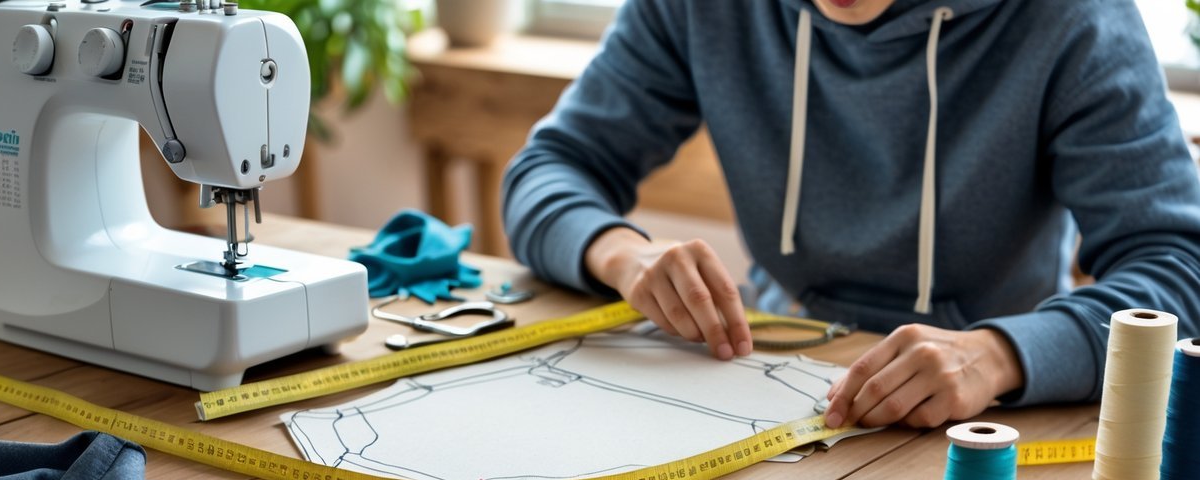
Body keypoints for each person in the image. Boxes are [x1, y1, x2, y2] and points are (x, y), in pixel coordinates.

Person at [500, 0, 1200, 429]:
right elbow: (549, 168)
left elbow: (1178, 269)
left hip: (990, 413)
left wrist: (996, 356)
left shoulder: (1074, 17)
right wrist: (622, 254)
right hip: (769, 372)